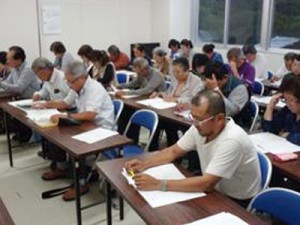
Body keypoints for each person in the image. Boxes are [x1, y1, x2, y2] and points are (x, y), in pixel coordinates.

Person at [125, 89, 261, 208]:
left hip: (236, 200)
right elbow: (174, 151)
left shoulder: (232, 140)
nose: (194, 123)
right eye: (193, 117)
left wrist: (158, 184)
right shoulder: (201, 127)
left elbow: (207, 183)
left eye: (199, 119)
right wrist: (144, 164)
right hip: (215, 188)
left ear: (219, 119)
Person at [42, 62, 114, 201]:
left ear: (82, 78)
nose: (69, 84)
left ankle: (81, 183)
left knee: (75, 145)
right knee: (56, 133)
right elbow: (66, 103)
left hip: (101, 129)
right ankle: (62, 167)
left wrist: (66, 116)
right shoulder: (77, 86)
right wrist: (45, 105)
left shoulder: (95, 89)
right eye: (67, 81)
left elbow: (90, 114)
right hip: (86, 124)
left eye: (71, 81)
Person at [150, 57, 205, 149]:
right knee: (157, 120)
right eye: (173, 72)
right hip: (171, 111)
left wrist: (176, 100)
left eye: (178, 72)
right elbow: (169, 94)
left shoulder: (197, 82)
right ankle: (153, 150)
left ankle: (177, 152)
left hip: (185, 115)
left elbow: (195, 100)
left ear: (187, 70)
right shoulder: (175, 80)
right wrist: (160, 94)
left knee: (171, 125)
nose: (175, 75)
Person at [0, 46, 41, 142]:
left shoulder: (28, 69)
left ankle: (26, 135)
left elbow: (19, 88)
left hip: (32, 100)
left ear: (18, 60)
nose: (7, 62)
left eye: (9, 59)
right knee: (7, 111)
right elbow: (8, 82)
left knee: (11, 113)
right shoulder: (15, 68)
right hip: (20, 99)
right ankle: (20, 134)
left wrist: (1, 83)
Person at [204, 61, 251, 128]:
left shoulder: (239, 88)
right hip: (212, 119)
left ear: (225, 77)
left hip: (235, 124)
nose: (210, 84)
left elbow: (231, 112)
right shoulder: (208, 83)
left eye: (217, 82)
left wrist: (216, 89)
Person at [262, 74, 300, 146]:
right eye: (285, 99)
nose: (288, 104)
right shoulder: (287, 111)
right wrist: (270, 107)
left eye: (291, 100)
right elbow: (269, 131)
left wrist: (288, 136)